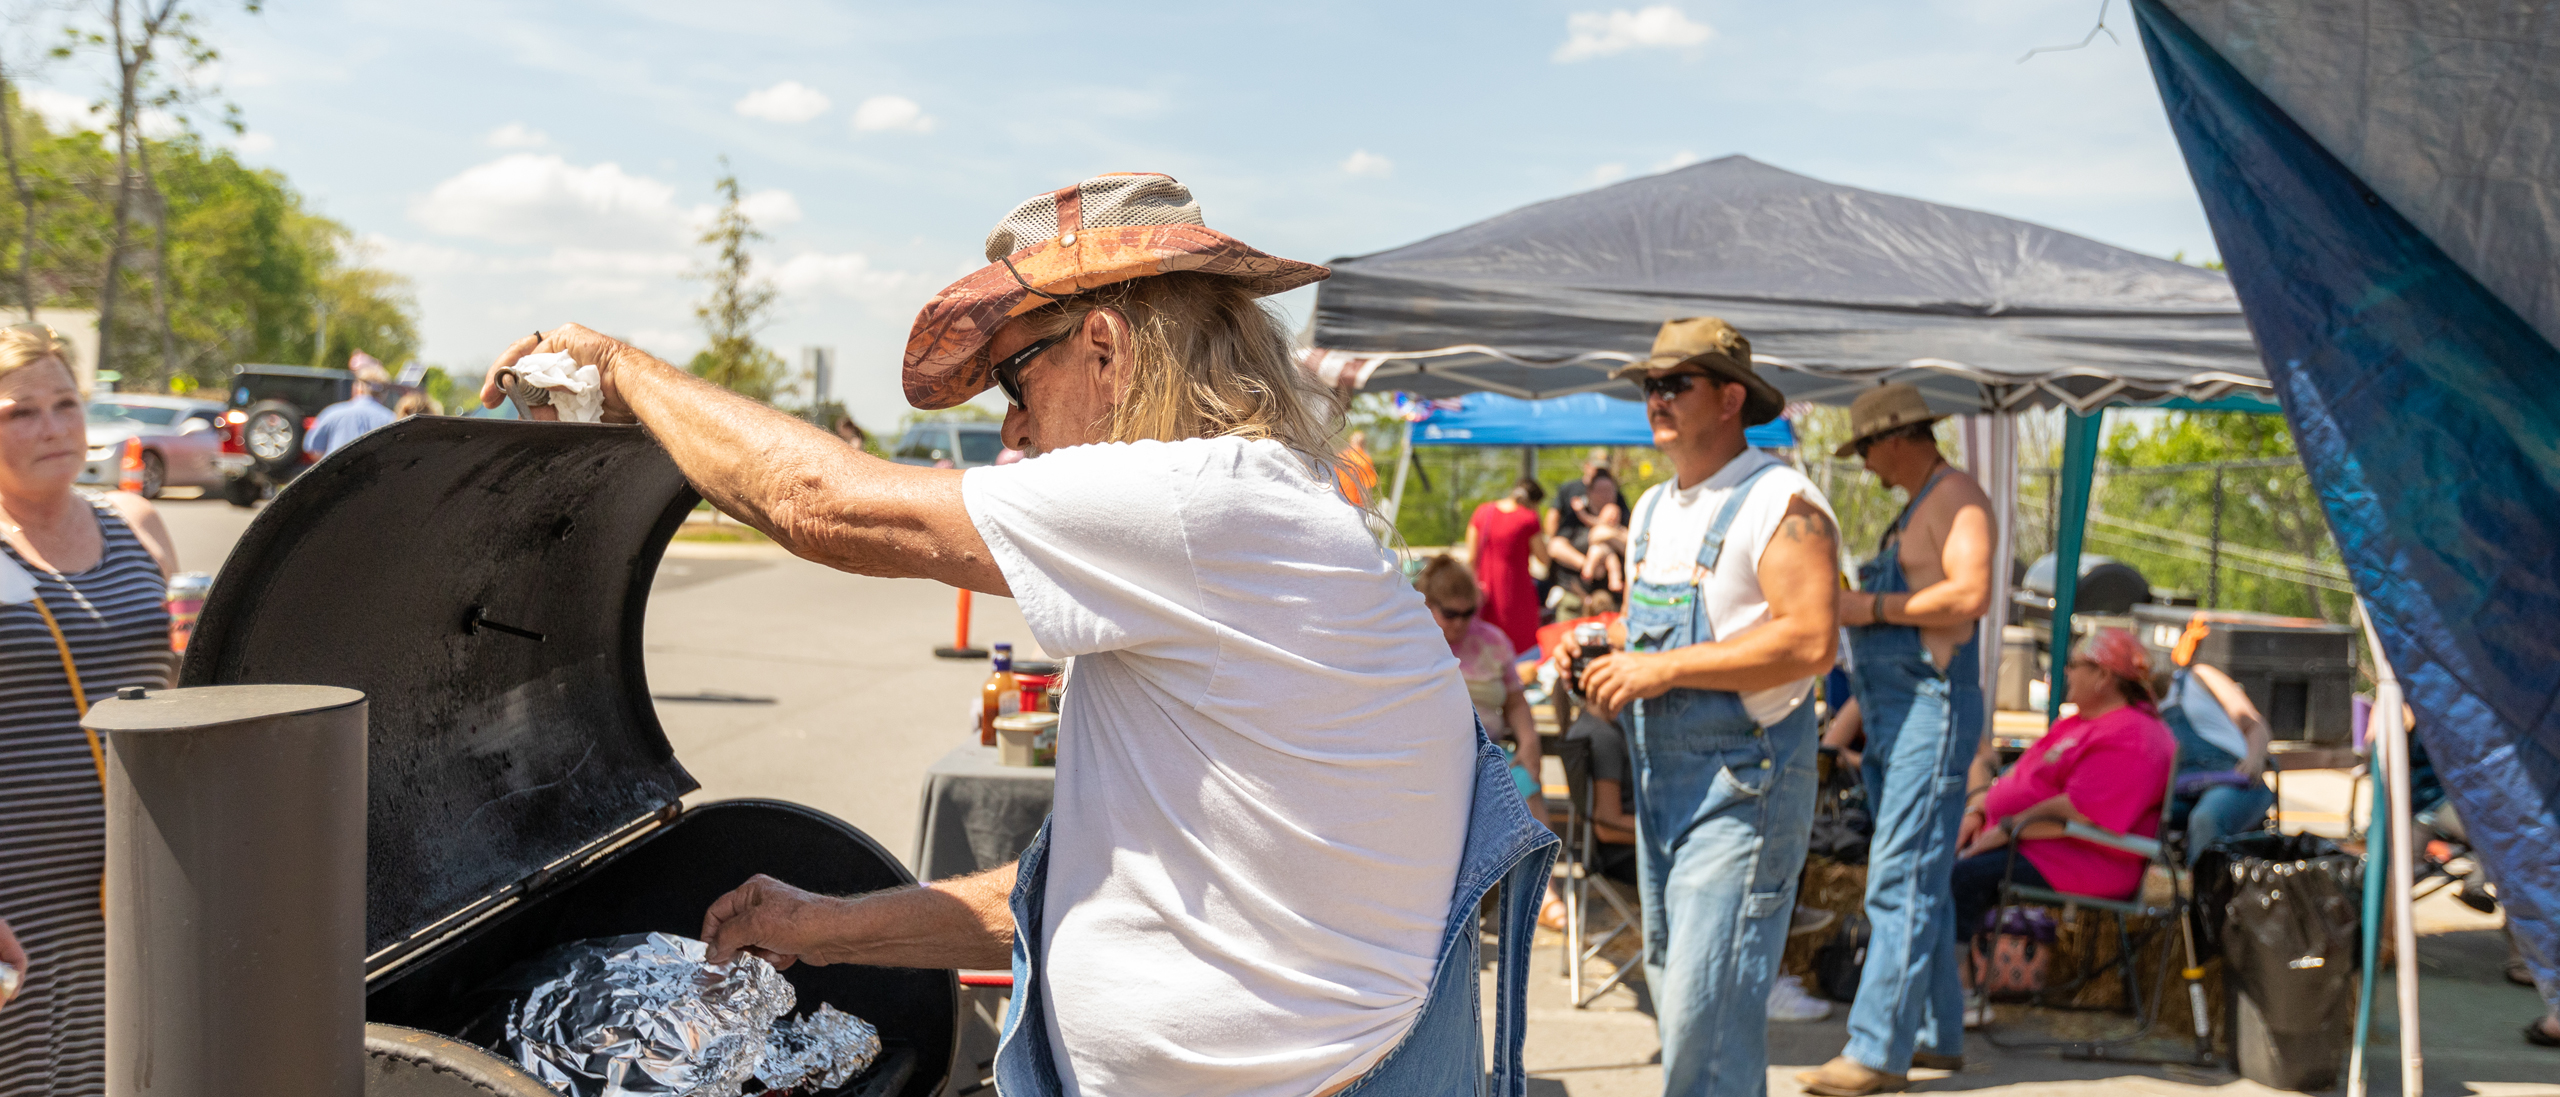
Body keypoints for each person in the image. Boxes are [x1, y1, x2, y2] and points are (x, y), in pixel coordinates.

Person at [481, 174, 1554, 1097]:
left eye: (1016, 378)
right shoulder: (1244, 516)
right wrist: (822, 926)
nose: (1012, 426)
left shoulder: (1196, 501)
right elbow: (1099, 883)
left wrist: (621, 371)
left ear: (1105, 347)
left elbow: (823, 503)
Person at [1577, 316, 1841, 1097]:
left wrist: (1660, 669)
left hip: (1744, 785)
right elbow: (1651, 630)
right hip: (1664, 785)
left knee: (1704, 1013)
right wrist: (1600, 647)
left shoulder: (1783, 501)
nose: (1655, 397)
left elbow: (1812, 640)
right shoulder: (1653, 508)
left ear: (1731, 398)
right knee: (1684, 995)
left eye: (1675, 383)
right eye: (1649, 384)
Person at [1800, 383, 1996, 1095]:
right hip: (1896, 713)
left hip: (1929, 711)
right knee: (1923, 879)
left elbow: (1969, 596)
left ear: (1893, 439)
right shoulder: (1922, 505)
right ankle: (1937, 1032)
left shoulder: (1959, 498)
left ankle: (1878, 1051)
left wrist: (1868, 607)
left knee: (1900, 879)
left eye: (1866, 449)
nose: (1866, 465)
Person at [0, 324, 178, 1091]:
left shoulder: (135, 523)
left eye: (65, 403)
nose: (53, 427)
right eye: (20, 412)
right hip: (16, 891)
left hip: (140, 873)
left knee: (133, 1067)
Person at [1947, 628, 2174, 1024]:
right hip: (2044, 844)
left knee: (1960, 877)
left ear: (2103, 676)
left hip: (2086, 861)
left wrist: (2006, 831)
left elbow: (2078, 812)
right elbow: (2020, 783)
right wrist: (1979, 814)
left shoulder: (2134, 735)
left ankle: (1956, 996)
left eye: (2074, 665)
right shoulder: (2083, 723)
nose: (2066, 672)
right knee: (1940, 863)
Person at [1418, 554, 1546, 823]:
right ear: (1428, 604)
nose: (1459, 623)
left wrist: (1529, 742)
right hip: (1429, 759)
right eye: (1450, 614)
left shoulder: (1493, 641)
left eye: (1468, 613)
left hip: (1488, 755)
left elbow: (1515, 700)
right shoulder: (1414, 643)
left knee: (1530, 803)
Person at [2156, 617, 2275, 862]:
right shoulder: (2146, 706)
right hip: (2181, 786)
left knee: (2205, 819)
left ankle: (2203, 884)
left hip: (2231, 777)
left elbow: (2255, 725)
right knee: (2141, 815)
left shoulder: (2200, 676)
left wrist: (2254, 759)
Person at [1464, 477, 1546, 655]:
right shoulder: (1528, 518)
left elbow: (1471, 557)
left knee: (1487, 650)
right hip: (1518, 596)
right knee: (1521, 653)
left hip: (1487, 595)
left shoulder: (1482, 512)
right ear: (1534, 502)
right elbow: (1544, 558)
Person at [1548, 449, 1630, 598]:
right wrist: (1587, 564)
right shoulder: (1573, 501)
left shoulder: (1619, 506)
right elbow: (1555, 545)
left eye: (1609, 490)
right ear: (1589, 492)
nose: (1605, 495)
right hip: (1577, 592)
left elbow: (1635, 544)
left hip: (1614, 596)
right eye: (1600, 490)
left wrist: (1608, 534)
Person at [304, 362, 396, 457]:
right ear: (385, 393)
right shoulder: (392, 419)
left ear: (359, 387)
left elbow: (312, 449)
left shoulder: (332, 412)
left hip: (338, 466)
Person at [1336, 428, 1379, 506]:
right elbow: (1366, 487)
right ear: (1364, 444)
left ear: (1350, 442)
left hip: (1337, 500)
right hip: (1354, 505)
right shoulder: (1365, 461)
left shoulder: (1340, 457)